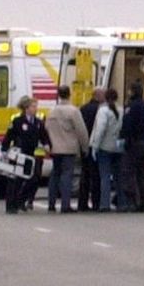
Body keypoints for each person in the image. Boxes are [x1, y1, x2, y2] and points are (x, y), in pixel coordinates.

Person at [44, 86, 90, 214]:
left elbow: (46, 128)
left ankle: (51, 204)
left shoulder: (51, 111)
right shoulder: (73, 111)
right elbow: (81, 131)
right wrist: (85, 147)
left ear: (58, 95)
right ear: (69, 95)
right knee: (66, 176)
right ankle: (65, 204)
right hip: (69, 148)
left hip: (55, 148)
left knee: (54, 175)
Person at [2, 97, 48, 214]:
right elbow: (9, 136)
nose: (36, 109)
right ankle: (11, 205)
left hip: (31, 154)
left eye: (36, 106)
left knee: (34, 178)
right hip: (19, 153)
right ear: (26, 108)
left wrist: (47, 144)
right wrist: (4, 149)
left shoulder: (38, 122)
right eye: (33, 106)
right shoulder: (17, 121)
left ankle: (21, 200)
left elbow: (44, 136)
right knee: (15, 180)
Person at [119, 83, 144, 212]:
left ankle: (132, 201)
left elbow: (126, 126)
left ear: (132, 92)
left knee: (129, 173)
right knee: (143, 174)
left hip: (133, 144)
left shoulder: (130, 107)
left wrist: (124, 138)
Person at [89, 88, 124, 212]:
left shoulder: (103, 111)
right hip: (118, 147)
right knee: (118, 177)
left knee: (105, 176)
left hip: (104, 147)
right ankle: (121, 203)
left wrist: (95, 146)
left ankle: (105, 204)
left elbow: (100, 130)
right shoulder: (121, 110)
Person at [77, 88, 103, 211]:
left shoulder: (83, 108)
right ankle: (96, 203)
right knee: (96, 175)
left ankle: (82, 202)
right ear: (98, 96)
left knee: (85, 174)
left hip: (84, 144)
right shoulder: (101, 110)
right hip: (96, 145)